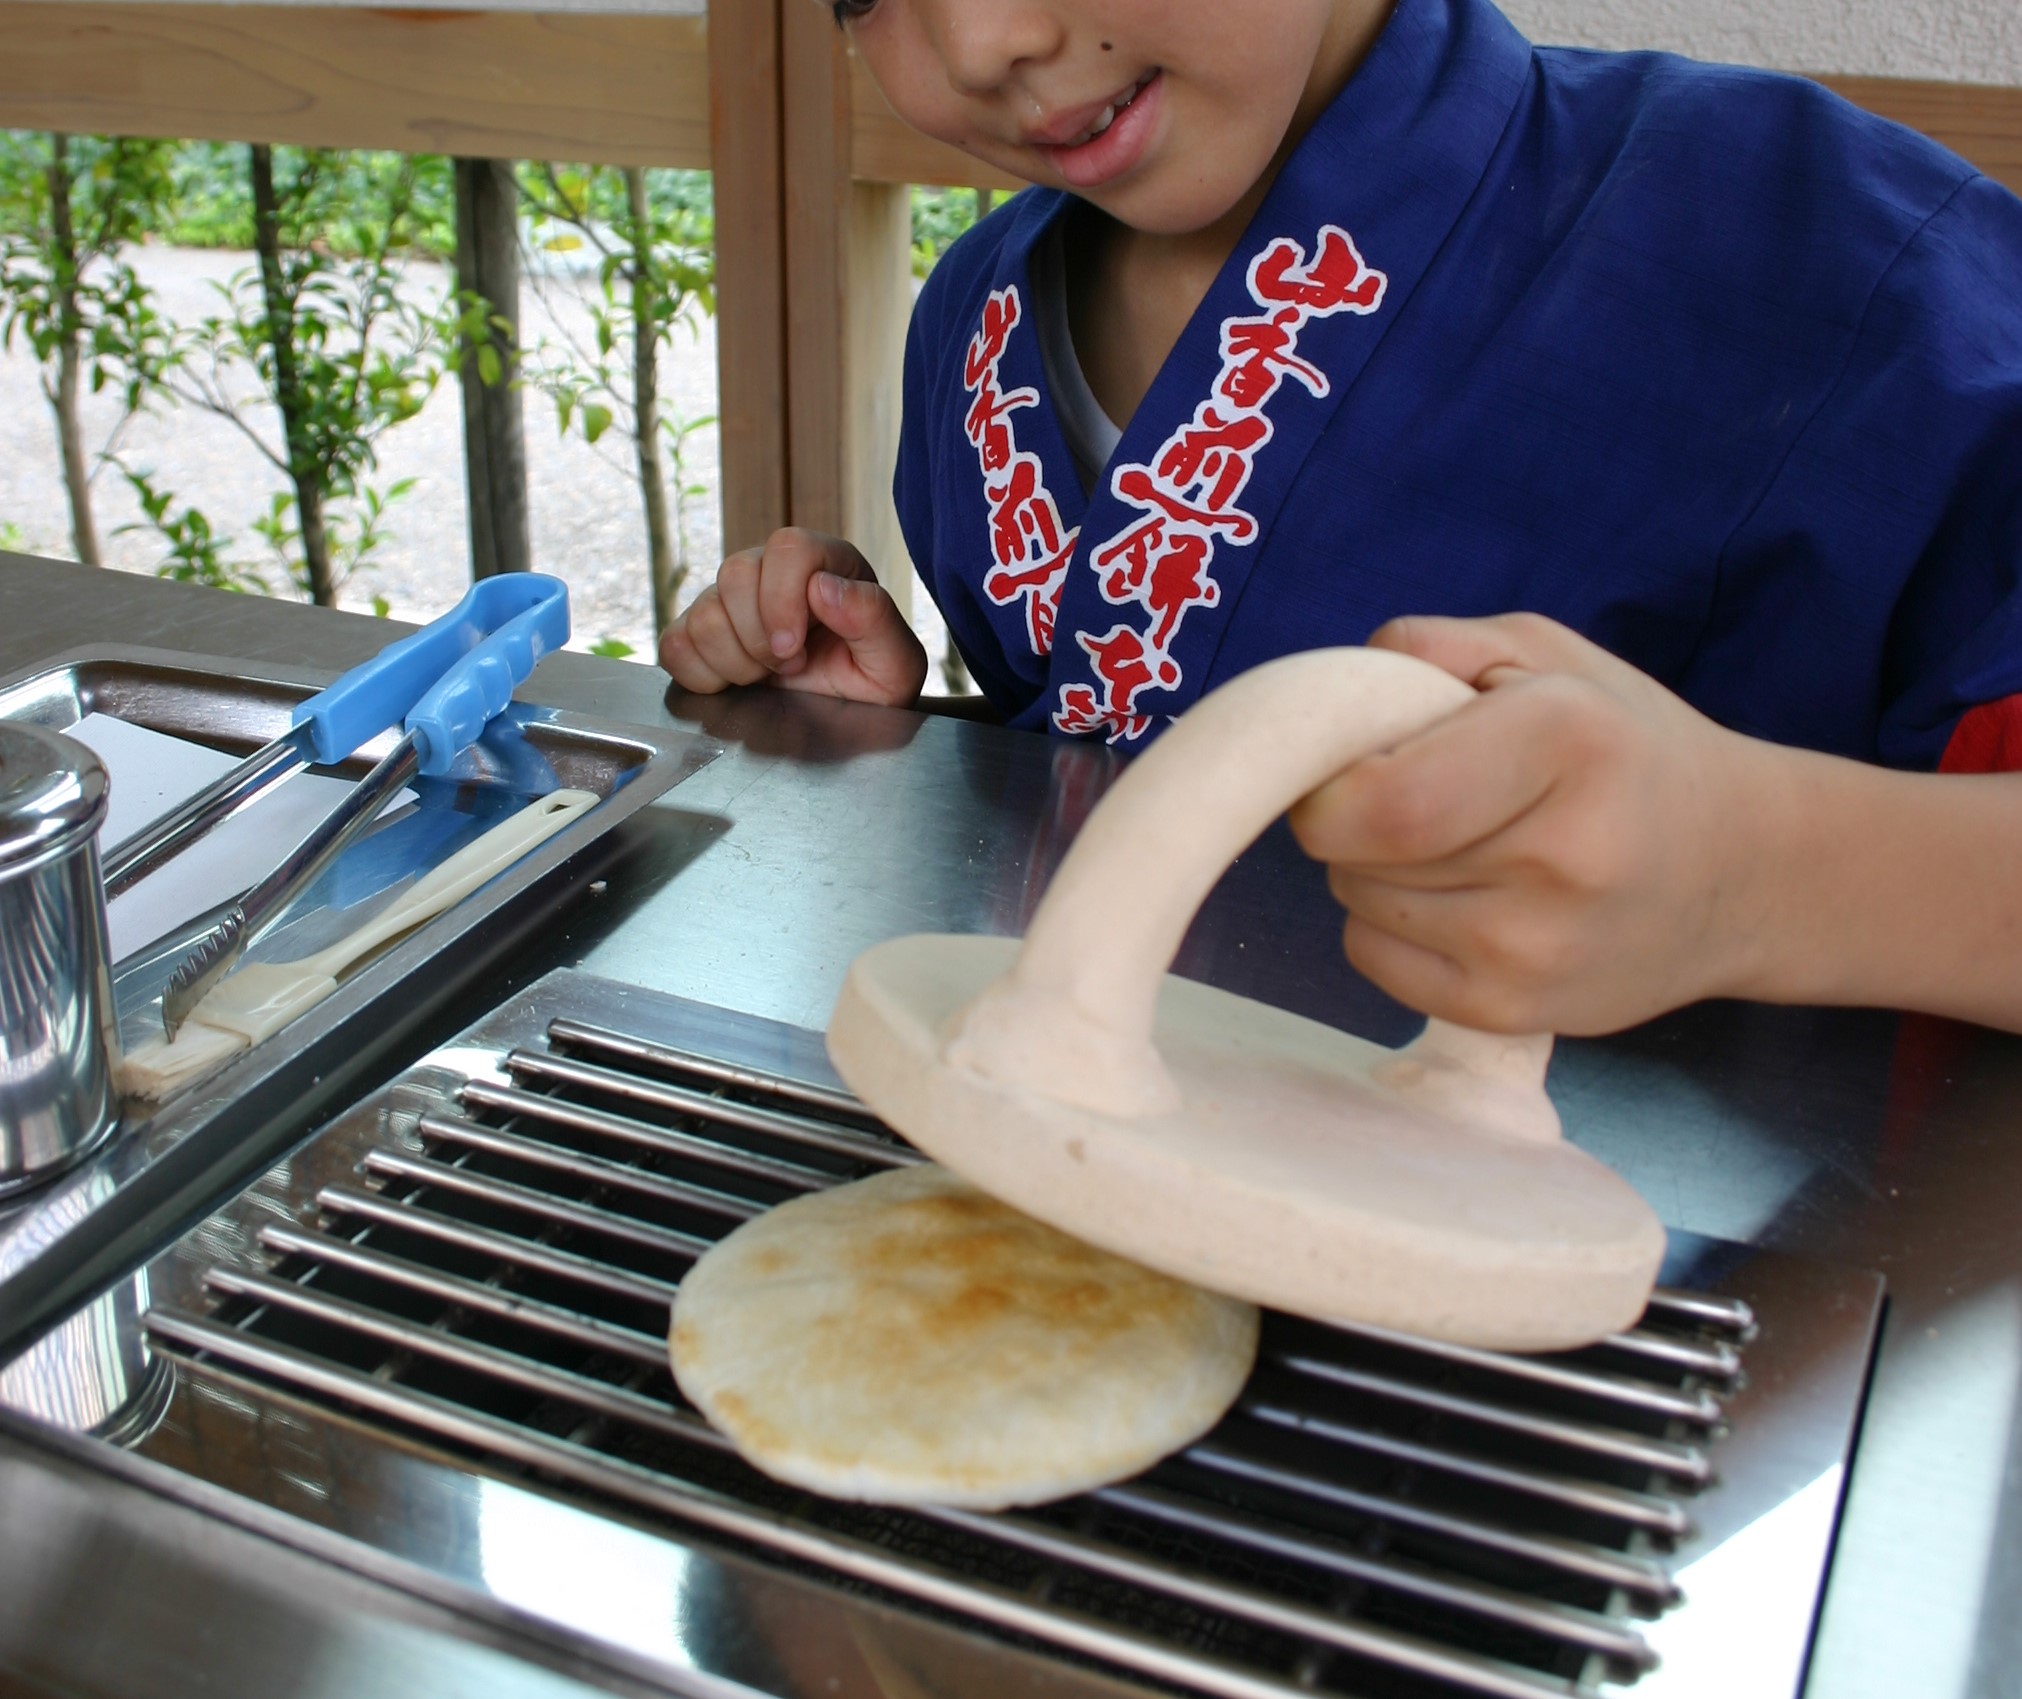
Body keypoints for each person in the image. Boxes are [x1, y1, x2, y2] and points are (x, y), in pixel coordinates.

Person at [659, 0, 2022, 1038]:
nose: (978, 42)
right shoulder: (976, 317)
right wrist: (908, 747)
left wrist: (1762, 875)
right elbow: (1115, 751)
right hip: (1083, 1215)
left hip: (1648, 1310)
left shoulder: (1825, 256)